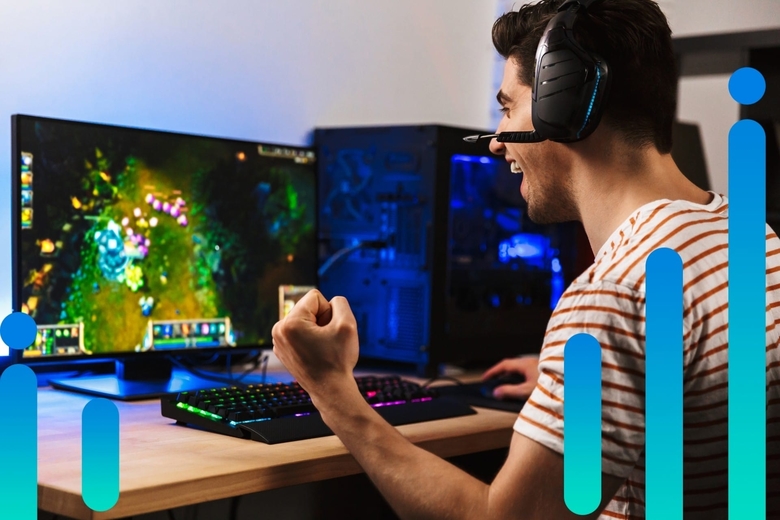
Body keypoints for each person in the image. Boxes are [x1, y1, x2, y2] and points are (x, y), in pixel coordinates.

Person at [272, 0, 780, 518]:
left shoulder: (616, 294)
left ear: (566, 104)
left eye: (507, 107)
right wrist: (586, 385)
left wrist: (333, 389)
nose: (495, 142)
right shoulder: (748, 236)